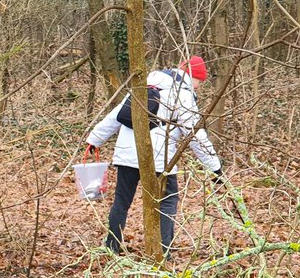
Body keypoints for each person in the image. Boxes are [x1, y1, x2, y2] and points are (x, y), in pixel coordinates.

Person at [85, 55, 222, 255]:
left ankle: (111, 247)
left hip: (126, 155)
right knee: (167, 201)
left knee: (121, 201)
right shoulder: (182, 95)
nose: (198, 87)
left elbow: (116, 114)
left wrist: (94, 139)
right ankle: (163, 251)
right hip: (158, 159)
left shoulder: (145, 83)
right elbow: (194, 134)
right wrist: (214, 166)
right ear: (192, 77)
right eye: (199, 82)